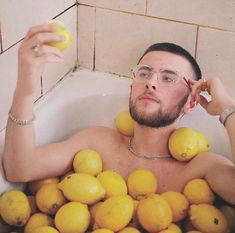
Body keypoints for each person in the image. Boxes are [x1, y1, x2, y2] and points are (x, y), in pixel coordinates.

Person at [3, 24, 235, 205]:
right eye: (144, 73)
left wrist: (226, 109)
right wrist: (25, 88)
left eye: (168, 78)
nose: (151, 83)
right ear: (132, 87)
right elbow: (19, 169)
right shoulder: (96, 142)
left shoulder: (203, 168)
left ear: (191, 102)